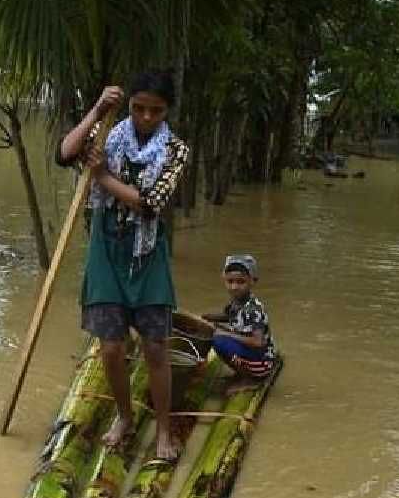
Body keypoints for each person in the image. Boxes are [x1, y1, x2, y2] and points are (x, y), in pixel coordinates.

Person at [56, 70, 190, 460]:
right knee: (112, 349)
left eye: (156, 111)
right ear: (129, 105)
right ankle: (126, 416)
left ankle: (163, 430)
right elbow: (65, 153)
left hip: (146, 255)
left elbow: (149, 203)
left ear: (167, 112)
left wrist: (101, 175)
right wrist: (98, 109)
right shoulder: (108, 134)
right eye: (138, 108)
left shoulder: (176, 151)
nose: (146, 117)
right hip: (106, 251)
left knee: (155, 347)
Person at [202, 254, 277, 387]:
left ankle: (250, 380)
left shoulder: (252, 309)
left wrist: (224, 333)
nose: (234, 287)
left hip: (262, 362)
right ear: (224, 280)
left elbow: (257, 342)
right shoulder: (236, 301)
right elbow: (229, 316)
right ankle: (242, 372)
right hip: (252, 353)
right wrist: (205, 318)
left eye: (240, 282)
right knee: (211, 331)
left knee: (218, 340)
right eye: (230, 282)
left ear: (253, 281)